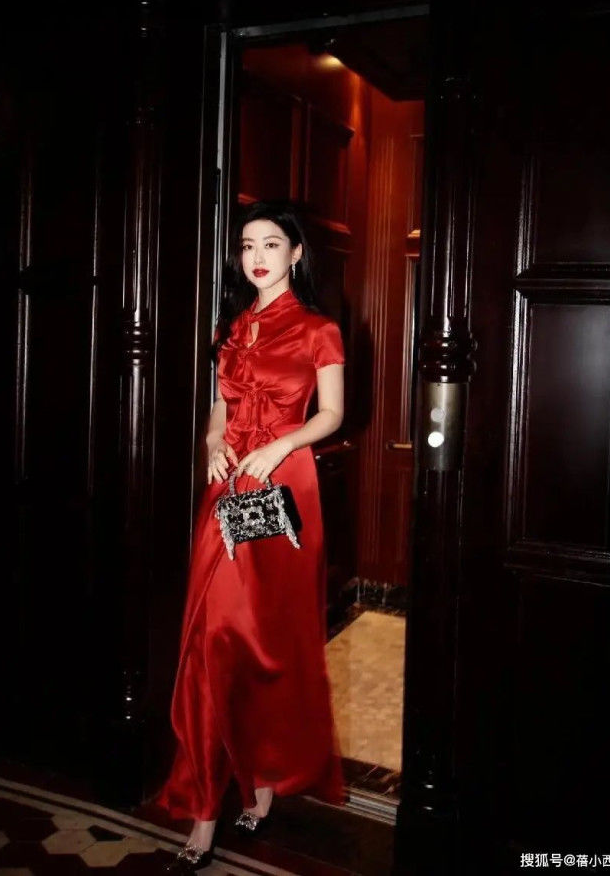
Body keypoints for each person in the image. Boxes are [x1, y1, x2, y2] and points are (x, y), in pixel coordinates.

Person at [155, 200, 346, 872]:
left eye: (270, 243)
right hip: (230, 489)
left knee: (271, 645)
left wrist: (281, 444)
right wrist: (214, 443)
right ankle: (204, 809)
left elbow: (332, 413)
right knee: (212, 640)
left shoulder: (320, 329)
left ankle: (263, 777)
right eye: (246, 245)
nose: (257, 256)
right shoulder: (231, 328)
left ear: (296, 252)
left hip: (286, 491)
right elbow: (220, 407)